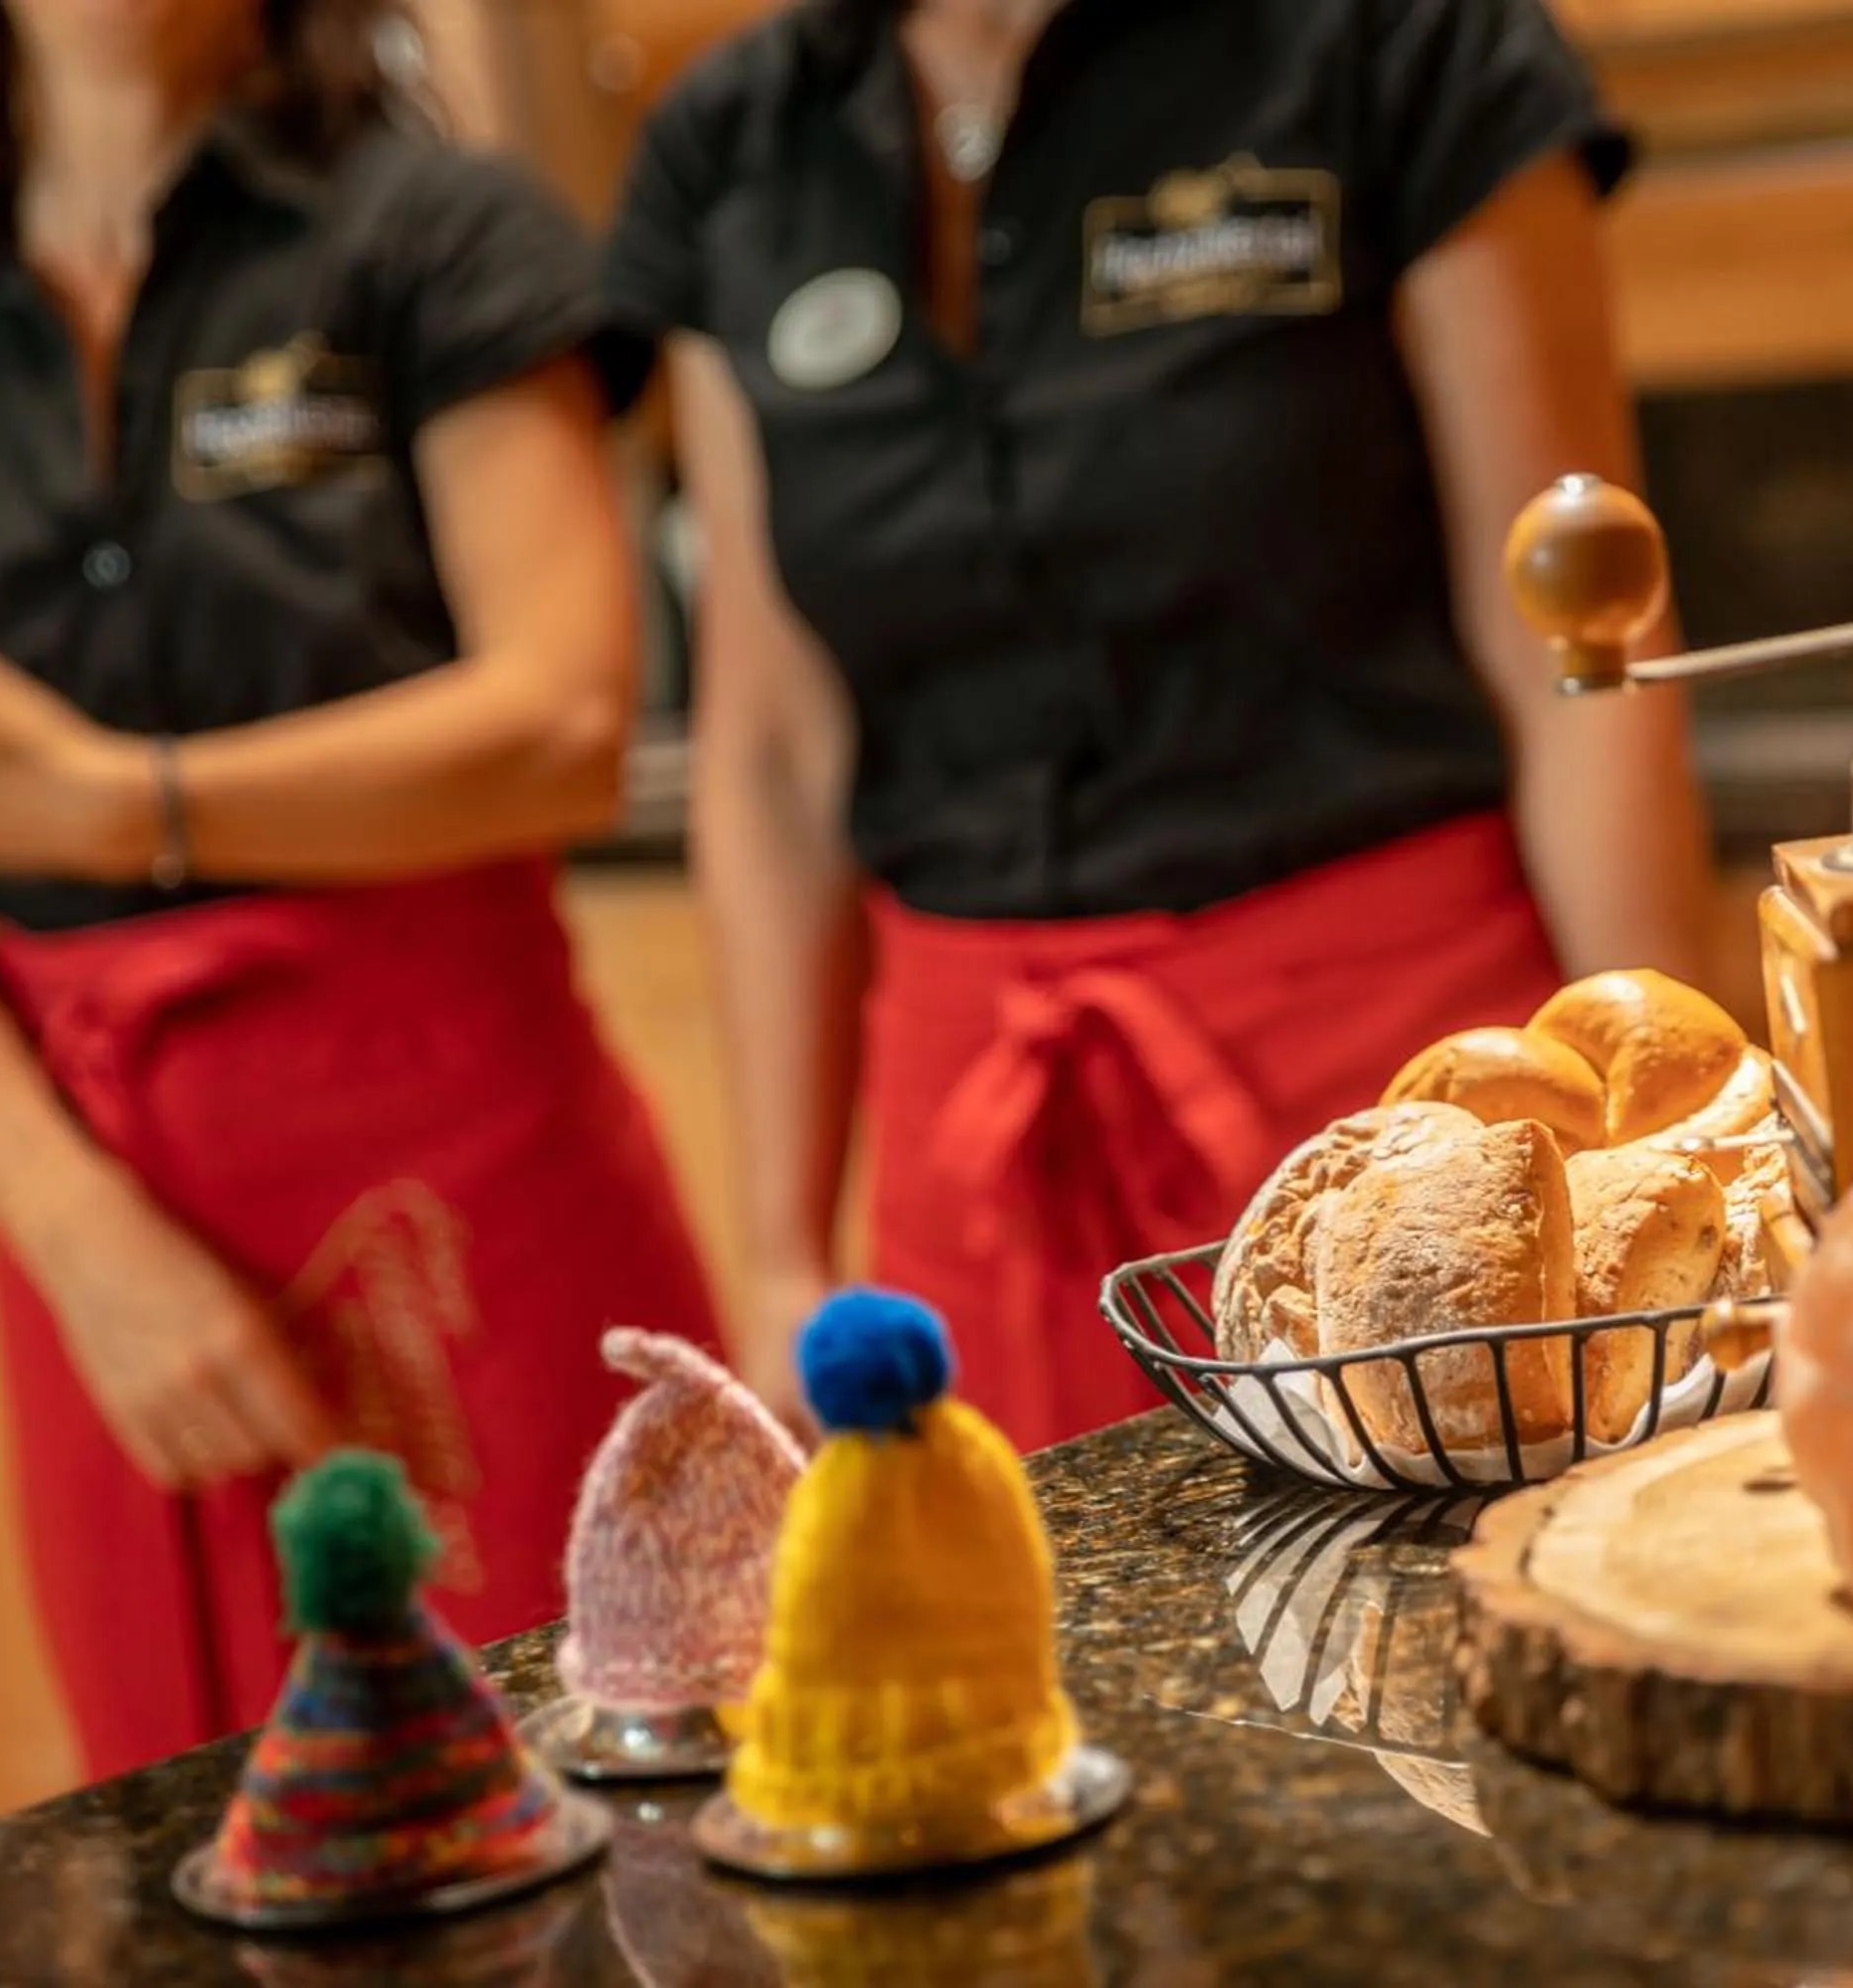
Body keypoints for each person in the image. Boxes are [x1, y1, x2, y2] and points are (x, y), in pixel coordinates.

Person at [600, 0, 1716, 1453]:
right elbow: (771, 754)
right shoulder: (733, 146)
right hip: (979, 1161)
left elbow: (1574, 639)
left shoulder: (1401, 42)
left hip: (1410, 1117)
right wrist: (780, 1263)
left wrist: (1669, 1138)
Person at [0, 0, 721, 1779]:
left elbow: (564, 723)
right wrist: (79, 1239)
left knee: (619, 1784)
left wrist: (119, 809)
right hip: (99, 1233)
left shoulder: (433, 233)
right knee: (209, 1836)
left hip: (470, 1190)